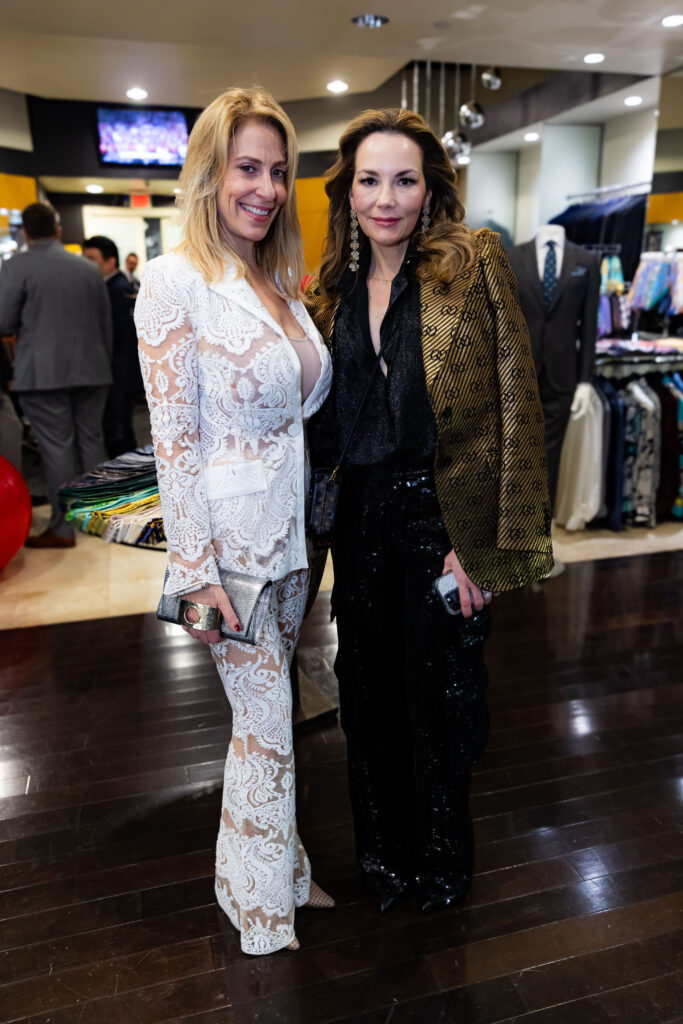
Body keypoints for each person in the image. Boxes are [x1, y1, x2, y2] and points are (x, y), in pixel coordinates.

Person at [306, 108, 553, 914]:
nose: (386, 199)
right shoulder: (330, 288)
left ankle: (442, 863)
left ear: (428, 187)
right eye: (369, 181)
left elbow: (519, 400)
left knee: (442, 698)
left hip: (440, 517)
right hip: (359, 521)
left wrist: (481, 547)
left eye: (403, 180)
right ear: (347, 192)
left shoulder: (470, 259)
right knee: (367, 695)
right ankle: (382, 858)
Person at [134, 86, 333, 956]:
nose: (264, 188)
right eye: (247, 168)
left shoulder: (275, 279)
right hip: (229, 558)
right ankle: (260, 908)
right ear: (210, 171)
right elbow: (173, 442)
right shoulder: (173, 280)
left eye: (278, 172)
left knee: (273, 711)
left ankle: (274, 872)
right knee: (262, 718)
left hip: (292, 545)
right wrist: (195, 572)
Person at [0, 202, 112, 548]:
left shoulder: (15, 267)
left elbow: (3, 323)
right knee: (91, 440)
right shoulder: (89, 269)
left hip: (43, 373)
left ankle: (63, 530)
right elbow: (105, 325)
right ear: (59, 231)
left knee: (56, 448)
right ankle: (101, 521)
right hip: (93, 369)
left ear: (25, 232)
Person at [83, 235, 142, 456]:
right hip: (115, 371)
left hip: (118, 372)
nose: (86, 264)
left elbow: (122, 337)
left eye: (92, 258)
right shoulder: (109, 287)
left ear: (110, 262)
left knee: (119, 434)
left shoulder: (117, 289)